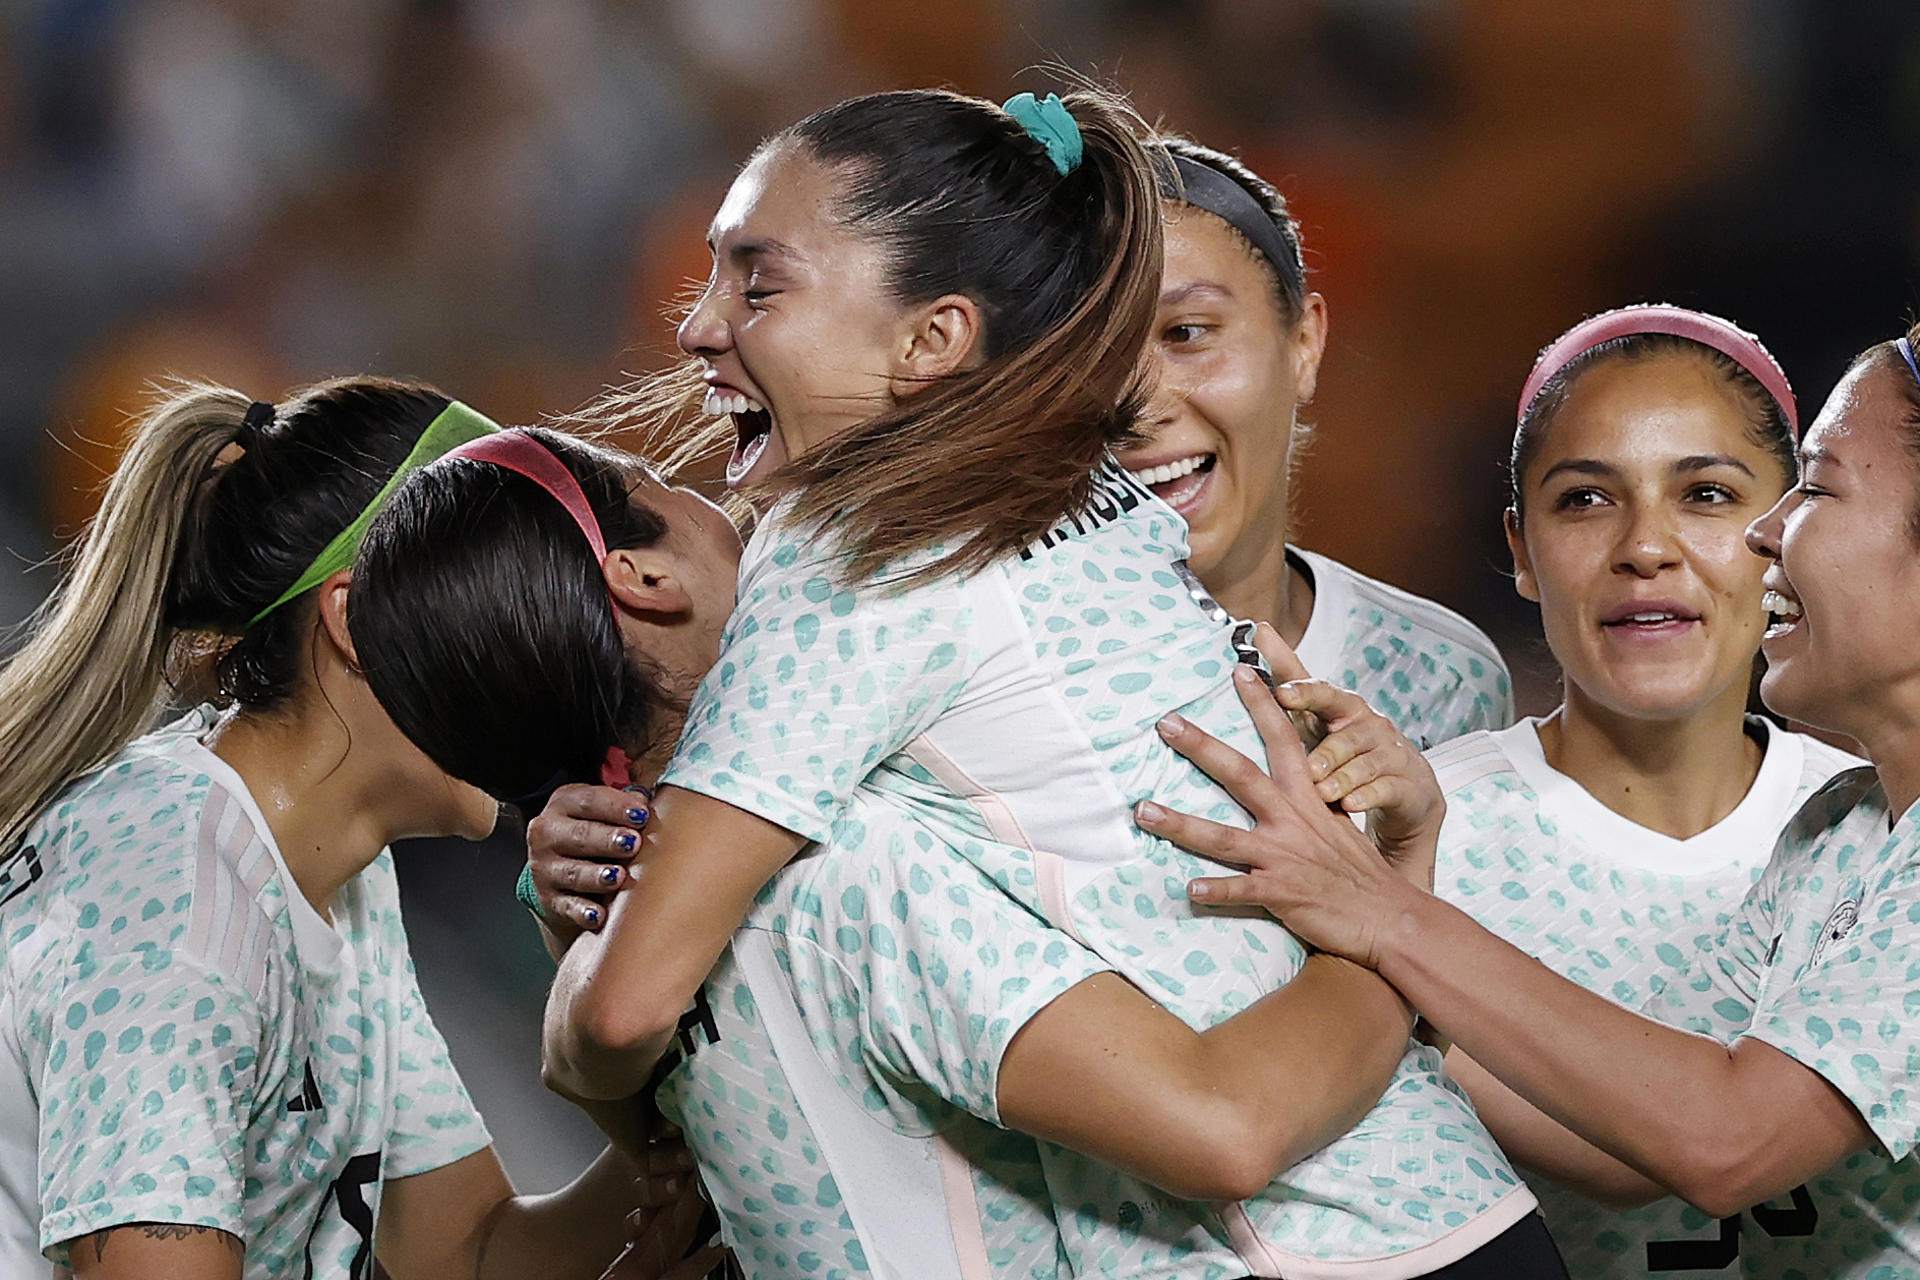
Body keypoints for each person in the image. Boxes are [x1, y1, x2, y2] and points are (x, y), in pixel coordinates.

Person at [350, 88, 1559, 1278]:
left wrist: (572, 1007)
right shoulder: (1076, 495)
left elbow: (620, 1019)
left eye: (757, 282)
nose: (696, 327)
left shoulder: (849, 565)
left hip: (1330, 1244)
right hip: (1428, 1214)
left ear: (932, 337)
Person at [1136, 320, 1920, 1277]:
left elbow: (1726, 1139)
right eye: (1586, 499)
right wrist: (1388, 917)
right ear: (1520, 543)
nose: (1761, 534)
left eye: (1812, 487)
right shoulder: (1839, 830)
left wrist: (1391, 921)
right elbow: (1640, 1144)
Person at [0, 379, 722, 1280]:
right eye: (499, 596)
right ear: (358, 621)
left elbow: (464, 1252)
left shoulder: (328, 867)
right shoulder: (171, 902)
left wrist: (728, 1093)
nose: (545, 654)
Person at [1343, 304, 1857, 1277]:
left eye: (1705, 492)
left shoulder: (1883, 829)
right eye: (1585, 499)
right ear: (1523, 549)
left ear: (1787, 531)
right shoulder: (1409, 839)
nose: (1646, 545)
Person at [1117, 138, 1512, 746]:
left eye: (1188, 332)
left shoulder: (1445, 682)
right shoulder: (957, 677)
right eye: (1086, 355)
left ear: (1303, 343)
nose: (1138, 405)